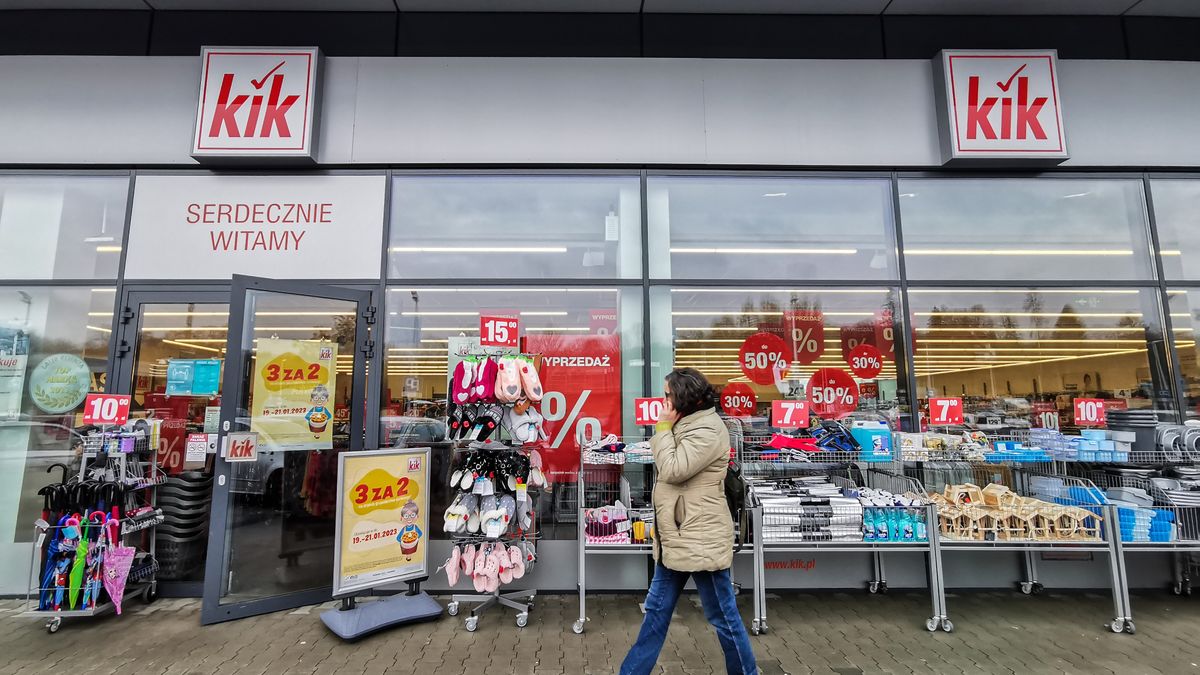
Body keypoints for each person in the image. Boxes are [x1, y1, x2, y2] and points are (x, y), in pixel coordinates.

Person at [620, 368, 758, 675]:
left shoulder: (708, 429)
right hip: (676, 540)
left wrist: (662, 428)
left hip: (699, 540)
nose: (663, 400)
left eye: (667, 394)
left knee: (724, 619)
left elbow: (672, 468)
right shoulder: (688, 424)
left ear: (682, 397)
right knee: (655, 614)